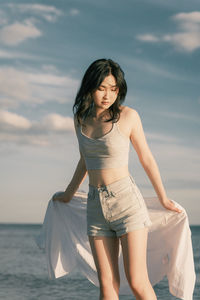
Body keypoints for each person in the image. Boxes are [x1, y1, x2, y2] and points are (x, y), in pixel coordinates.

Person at [53, 58, 182, 300]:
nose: (107, 95)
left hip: (126, 203)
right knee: (107, 284)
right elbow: (85, 160)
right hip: (95, 206)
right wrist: (69, 193)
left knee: (136, 281)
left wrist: (163, 198)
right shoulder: (80, 118)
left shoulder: (128, 116)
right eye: (102, 88)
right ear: (90, 87)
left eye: (114, 89)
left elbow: (147, 159)